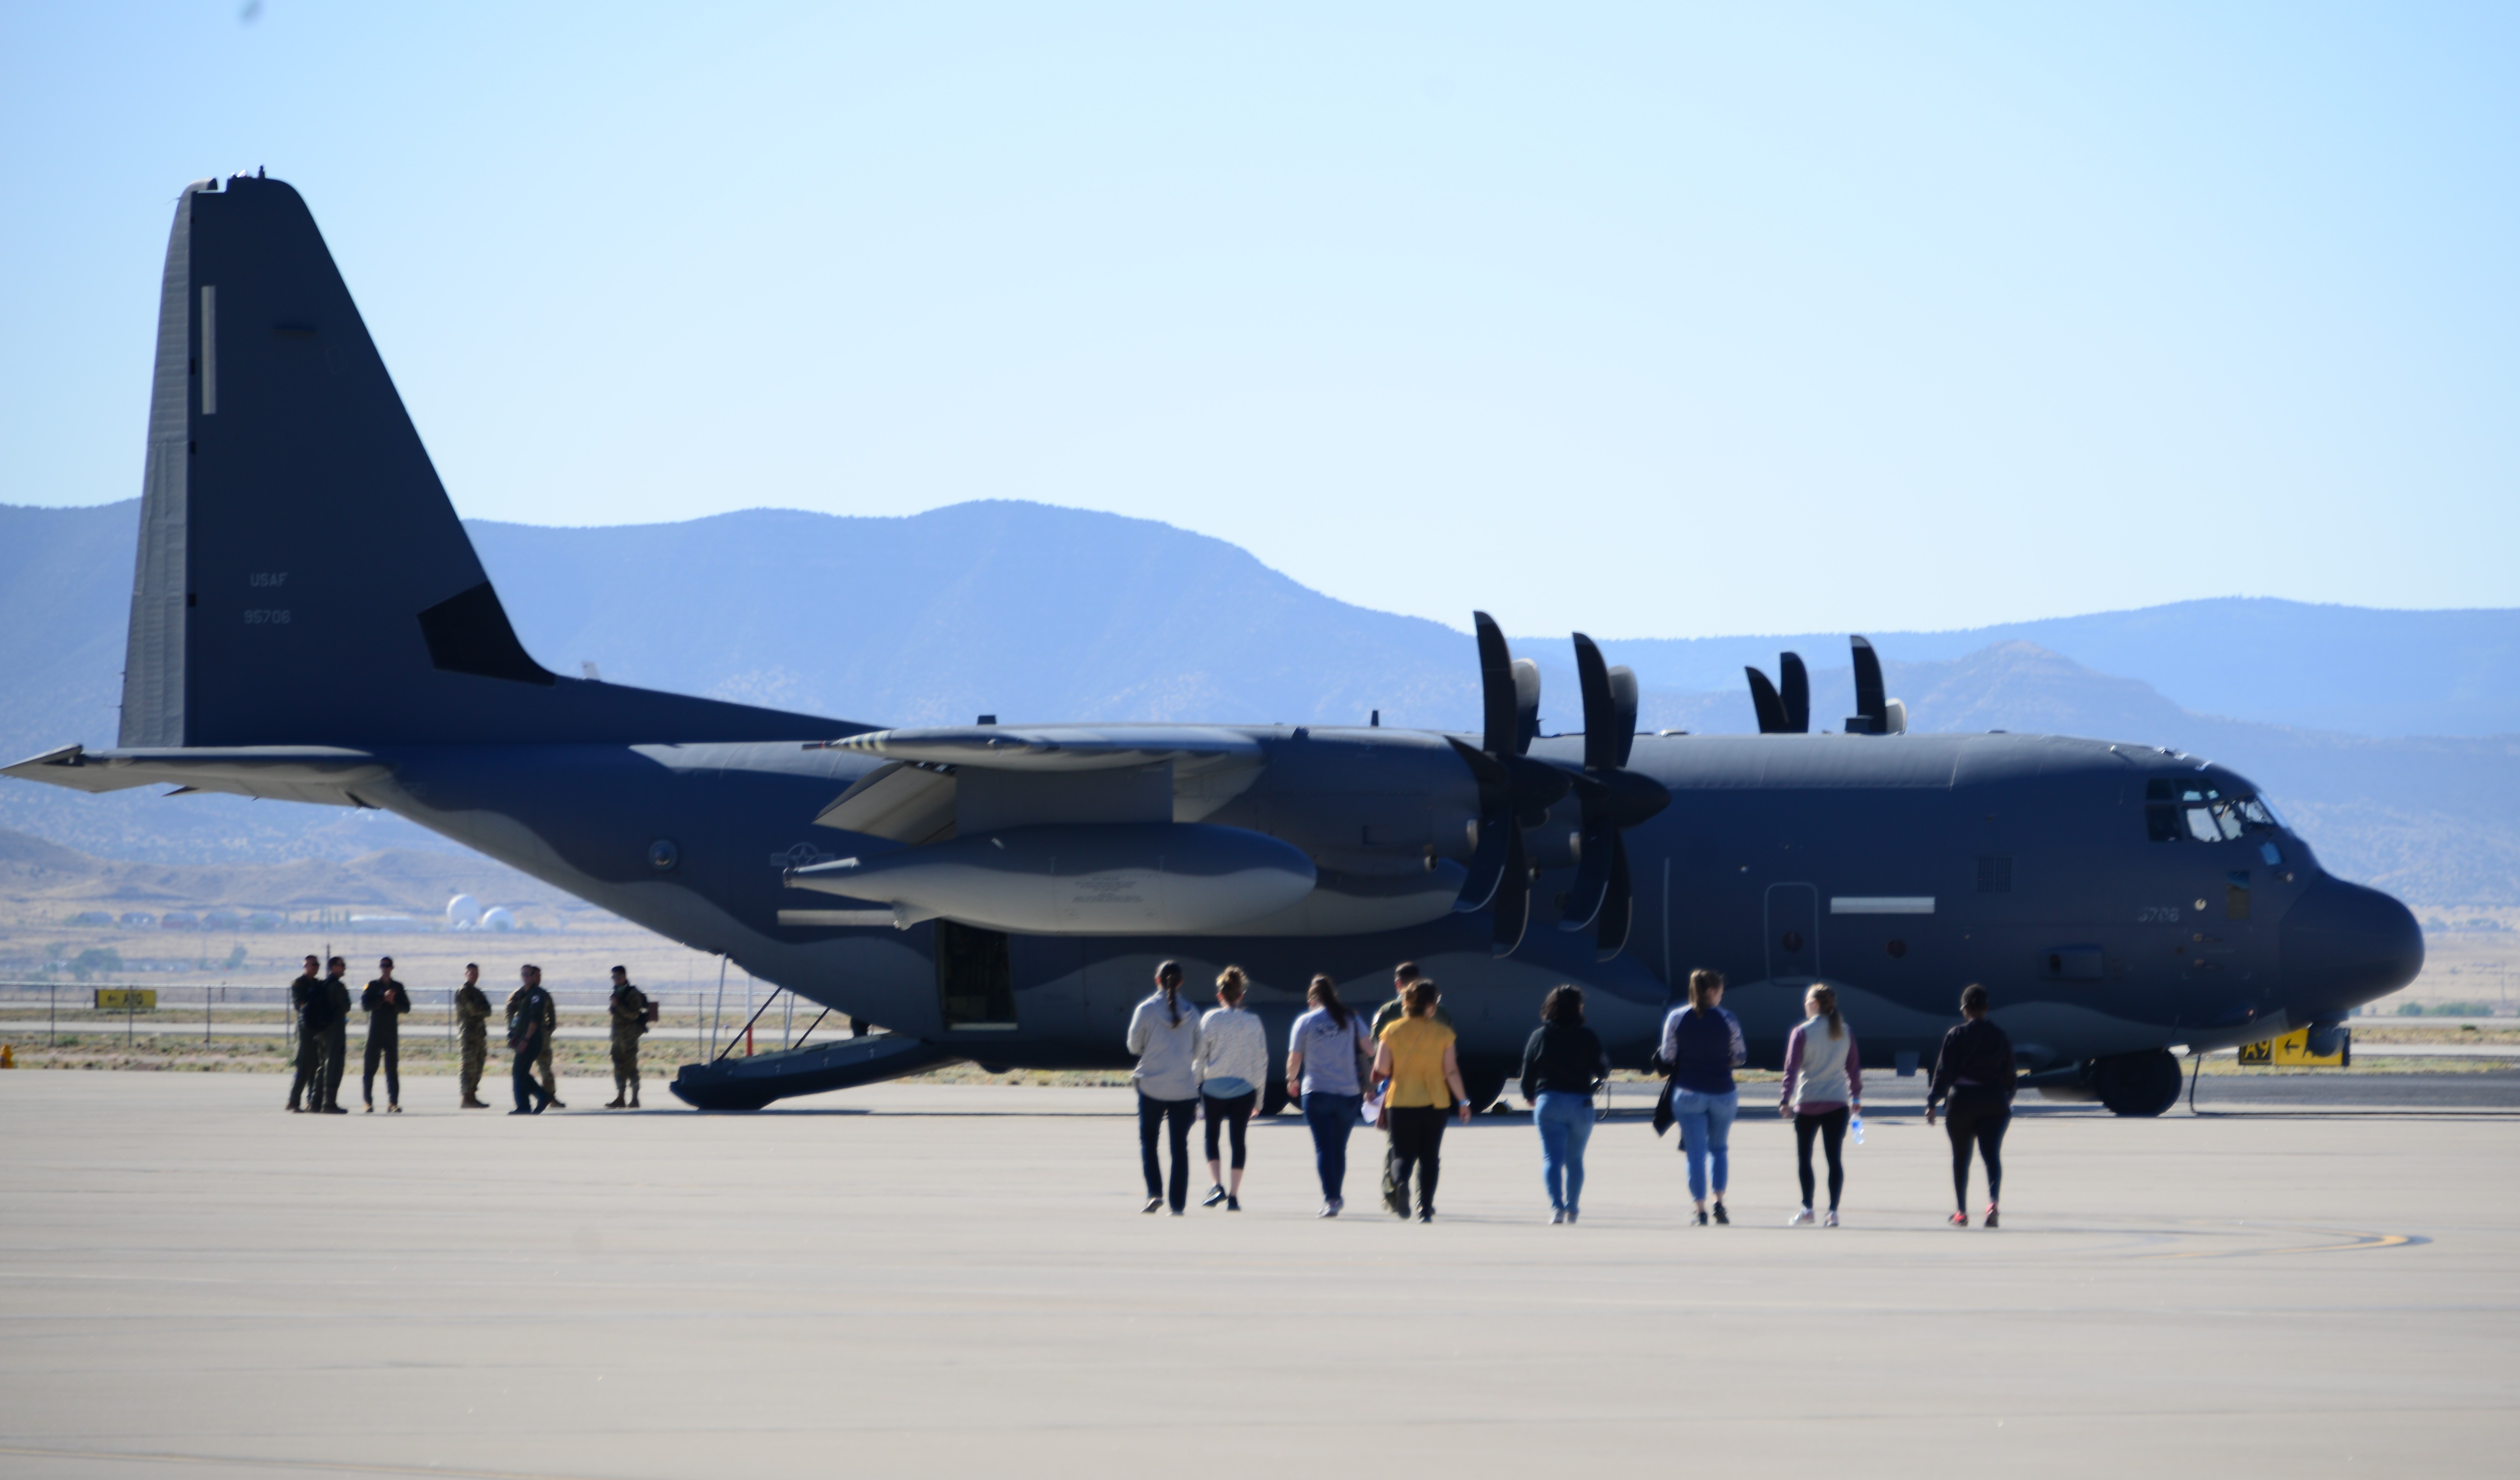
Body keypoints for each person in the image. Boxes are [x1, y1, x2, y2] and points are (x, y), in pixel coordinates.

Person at [1373, 979, 1470, 1223]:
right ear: (1431, 1004)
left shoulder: (1392, 1030)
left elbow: (1382, 1068)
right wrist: (1463, 1101)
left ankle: (1401, 1183)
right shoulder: (1444, 1033)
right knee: (1430, 1157)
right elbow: (1451, 1071)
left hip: (1401, 1101)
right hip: (1435, 1103)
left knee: (1402, 1155)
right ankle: (1425, 1209)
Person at [1659, 968, 1747, 1226]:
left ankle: (1700, 1210)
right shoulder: (1727, 1018)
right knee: (1719, 1149)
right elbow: (1740, 1055)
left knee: (1695, 1153)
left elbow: (1667, 1055)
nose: (1721, 996)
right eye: (1720, 992)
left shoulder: (1676, 1018)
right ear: (1711, 992)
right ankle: (1720, 1202)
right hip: (1722, 1091)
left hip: (1688, 1091)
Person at [1925, 982, 2017, 1228]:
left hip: (1962, 1101)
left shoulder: (1956, 1035)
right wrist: (2006, 1097)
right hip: (1995, 1101)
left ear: (1964, 1008)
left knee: (1961, 1158)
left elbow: (1944, 1072)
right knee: (1992, 1156)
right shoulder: (2000, 1036)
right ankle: (1993, 1203)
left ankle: (1962, 1212)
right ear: (1987, 1008)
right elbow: (2010, 1075)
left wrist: (1933, 1101)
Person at [1519, 984, 1608, 1225]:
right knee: (1575, 1160)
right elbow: (1603, 1069)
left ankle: (1556, 1207)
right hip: (1580, 1103)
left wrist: (1529, 1095)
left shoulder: (1539, 1036)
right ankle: (1573, 1208)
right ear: (1578, 1007)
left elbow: (1528, 1072)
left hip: (1548, 1101)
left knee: (1552, 1159)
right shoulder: (1587, 1036)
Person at [1285, 975, 1372, 1216]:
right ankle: (1336, 1194)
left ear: (1312, 998)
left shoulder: (1305, 1021)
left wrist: (1292, 1080)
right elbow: (1370, 1048)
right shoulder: (1351, 1018)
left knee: (1324, 1148)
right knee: (1339, 1149)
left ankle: (1332, 1198)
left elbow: (1295, 1059)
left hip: (1317, 1091)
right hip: (1348, 1092)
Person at [1368, 962, 1449, 1213]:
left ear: (1398, 984)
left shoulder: (1386, 1013)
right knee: (1429, 1154)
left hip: (1396, 1089)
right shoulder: (1441, 1015)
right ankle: (1424, 1203)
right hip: (1435, 1093)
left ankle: (1394, 1192)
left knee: (1397, 1148)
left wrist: (1370, 1086)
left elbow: (1376, 1051)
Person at [1778, 983, 1861, 1227]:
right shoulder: (1845, 1031)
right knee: (1834, 1158)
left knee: (1805, 1158)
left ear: (1814, 1005)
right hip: (1837, 1103)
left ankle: (1807, 1208)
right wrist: (1856, 1097)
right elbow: (1853, 1068)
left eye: (1807, 1002)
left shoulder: (1802, 1032)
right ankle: (1833, 1211)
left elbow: (1791, 1069)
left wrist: (1785, 1099)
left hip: (1808, 1102)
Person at [1125, 961, 1202, 1215]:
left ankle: (1154, 1194)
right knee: (1179, 1147)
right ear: (1180, 982)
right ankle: (1177, 1205)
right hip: (1184, 1089)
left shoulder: (1146, 1010)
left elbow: (1134, 1046)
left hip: (1151, 1086)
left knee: (1149, 1142)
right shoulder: (1192, 1012)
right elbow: (1199, 1050)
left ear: (1157, 980)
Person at [1192, 965, 1267, 1211]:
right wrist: (1259, 1099)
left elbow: (1200, 1057)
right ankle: (1234, 1197)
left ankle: (1217, 1185)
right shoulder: (1254, 1022)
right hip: (1244, 1089)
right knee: (1238, 1140)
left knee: (1212, 1136)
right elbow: (1261, 1061)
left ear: (1220, 996)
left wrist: (1195, 1089)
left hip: (1214, 1087)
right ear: (1241, 996)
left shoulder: (1211, 1019)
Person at [359, 956, 411, 1113]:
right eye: (383, 966)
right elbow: (365, 1006)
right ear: (380, 968)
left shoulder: (398, 987)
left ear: (392, 968)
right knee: (370, 1068)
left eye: (388, 966)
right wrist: (382, 999)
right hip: (376, 1031)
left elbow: (406, 1008)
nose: (386, 968)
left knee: (392, 1069)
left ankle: (393, 1102)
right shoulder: (373, 986)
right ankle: (368, 1102)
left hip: (391, 1031)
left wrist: (394, 1002)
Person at [507, 969, 564, 1110]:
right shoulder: (520, 994)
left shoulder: (539, 995)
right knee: (521, 1072)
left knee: (539, 1070)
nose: (528, 977)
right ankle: (541, 1097)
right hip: (524, 1038)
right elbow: (512, 1013)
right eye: (524, 975)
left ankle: (542, 1098)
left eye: (532, 975)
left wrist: (546, 1032)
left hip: (534, 1038)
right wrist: (513, 1032)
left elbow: (545, 1017)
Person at [604, 966, 651, 1109]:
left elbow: (634, 1015)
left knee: (631, 1067)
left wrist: (618, 1006)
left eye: (618, 977)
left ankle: (635, 1098)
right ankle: (620, 1097)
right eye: (614, 978)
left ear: (625, 976)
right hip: (618, 1036)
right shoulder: (618, 992)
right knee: (619, 1066)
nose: (616, 980)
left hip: (629, 1036)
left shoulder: (633, 994)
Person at [314, 957, 354, 1114]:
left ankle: (316, 1102)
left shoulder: (323, 985)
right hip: (334, 1030)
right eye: (341, 965)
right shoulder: (337, 986)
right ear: (333, 967)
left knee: (323, 1066)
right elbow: (346, 1005)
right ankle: (329, 1103)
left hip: (323, 1031)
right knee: (334, 1065)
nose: (344, 968)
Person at [285, 955, 324, 1113]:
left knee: (316, 1065)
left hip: (317, 1029)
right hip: (305, 1029)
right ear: (306, 966)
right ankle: (294, 1101)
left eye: (318, 965)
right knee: (304, 1066)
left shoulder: (319, 984)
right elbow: (301, 1005)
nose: (316, 967)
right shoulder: (299, 984)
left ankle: (311, 1101)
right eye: (313, 964)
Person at [454, 964, 493, 1109]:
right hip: (468, 1034)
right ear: (466, 974)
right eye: (471, 973)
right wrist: (480, 1010)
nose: (474, 976)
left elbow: (488, 1010)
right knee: (468, 1065)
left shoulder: (477, 992)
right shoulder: (463, 992)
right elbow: (474, 1010)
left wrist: (480, 1010)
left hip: (479, 1034)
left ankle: (472, 1095)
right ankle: (466, 1097)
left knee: (478, 1064)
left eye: (476, 973)